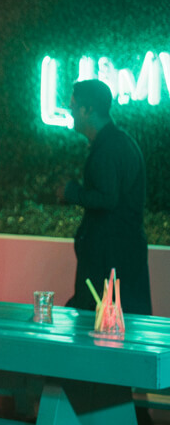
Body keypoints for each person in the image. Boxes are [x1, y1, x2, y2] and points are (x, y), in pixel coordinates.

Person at [58, 78, 152, 314]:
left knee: (102, 324)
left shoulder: (108, 148)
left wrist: (71, 192)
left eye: (73, 106)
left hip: (110, 258)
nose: (70, 113)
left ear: (88, 109)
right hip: (119, 256)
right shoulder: (118, 143)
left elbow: (107, 199)